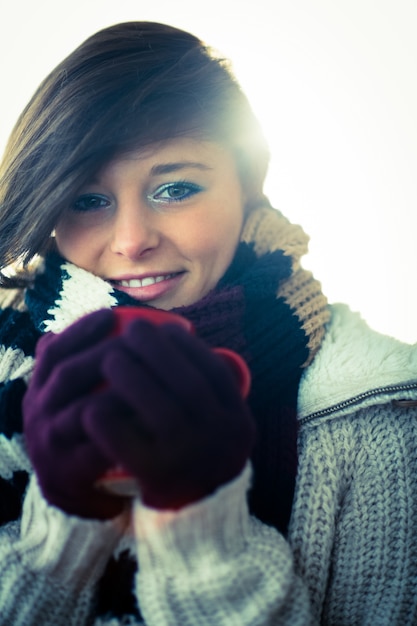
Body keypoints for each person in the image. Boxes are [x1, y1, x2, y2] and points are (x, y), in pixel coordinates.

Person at [0, 21, 416, 626]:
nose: (132, 240)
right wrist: (65, 526)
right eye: (88, 200)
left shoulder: (382, 405)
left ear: (248, 183)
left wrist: (196, 521)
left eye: (176, 187)